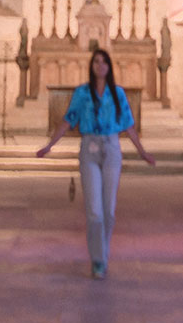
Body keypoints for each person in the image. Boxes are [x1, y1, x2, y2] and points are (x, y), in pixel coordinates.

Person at [35, 46, 155, 278]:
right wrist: (50, 146)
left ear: (109, 67)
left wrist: (142, 152)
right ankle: (98, 260)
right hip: (89, 149)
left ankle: (103, 252)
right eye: (96, 62)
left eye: (104, 62)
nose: (100, 65)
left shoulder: (118, 93)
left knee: (109, 211)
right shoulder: (82, 93)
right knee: (94, 211)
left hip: (111, 149)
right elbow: (68, 121)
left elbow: (128, 124)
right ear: (91, 66)